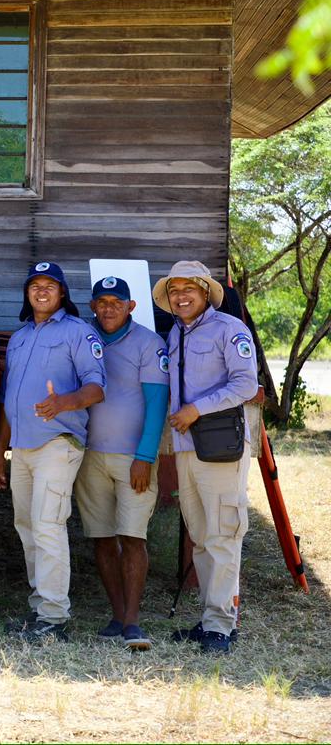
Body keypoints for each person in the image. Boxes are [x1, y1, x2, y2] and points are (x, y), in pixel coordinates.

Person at [0, 261, 106, 643]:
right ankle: (40, 607)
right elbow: (10, 400)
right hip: (22, 449)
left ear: (62, 294)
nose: (41, 291)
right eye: (34, 285)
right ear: (27, 294)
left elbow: (96, 387)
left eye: (50, 285)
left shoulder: (79, 332)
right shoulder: (21, 337)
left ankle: (55, 618)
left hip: (58, 443)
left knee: (48, 525)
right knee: (26, 526)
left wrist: (64, 403)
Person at [156, 260, 258, 654]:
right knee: (200, 536)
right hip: (186, 448)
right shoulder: (176, 335)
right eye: (174, 291)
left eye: (188, 290)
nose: (180, 297)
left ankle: (222, 626)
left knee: (223, 534)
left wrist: (198, 409)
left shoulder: (230, 330)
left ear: (204, 292)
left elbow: (246, 384)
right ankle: (210, 620)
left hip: (220, 446)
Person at [74, 277, 170, 650]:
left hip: (133, 458)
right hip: (90, 456)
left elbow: (157, 403)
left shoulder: (149, 343)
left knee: (132, 536)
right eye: (102, 301)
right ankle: (116, 615)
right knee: (100, 537)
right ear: (93, 306)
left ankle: (133, 621)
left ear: (131, 307)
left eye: (117, 301)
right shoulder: (83, 338)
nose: (109, 308)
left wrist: (145, 457)